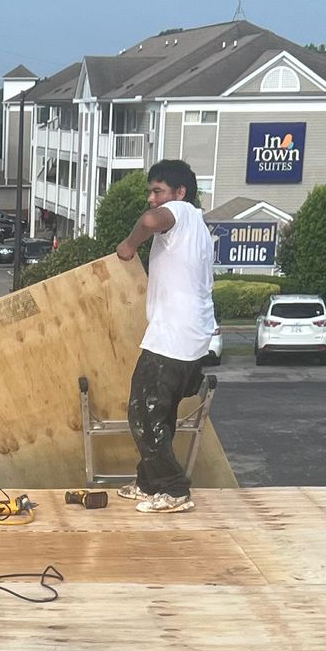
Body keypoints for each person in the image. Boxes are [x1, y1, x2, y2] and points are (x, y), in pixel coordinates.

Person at [116, 160, 218, 512]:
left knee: (142, 413)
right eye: (151, 191)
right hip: (191, 336)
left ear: (180, 192)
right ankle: (149, 483)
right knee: (160, 414)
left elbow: (148, 222)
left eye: (157, 191)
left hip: (173, 337)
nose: (151, 198)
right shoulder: (198, 226)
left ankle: (174, 490)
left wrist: (128, 247)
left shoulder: (179, 212)